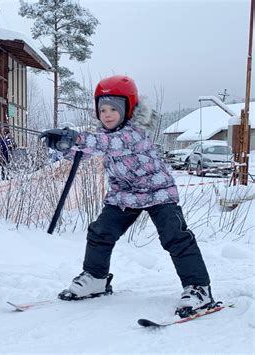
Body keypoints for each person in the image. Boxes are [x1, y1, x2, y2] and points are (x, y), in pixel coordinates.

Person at [41, 75, 213, 317]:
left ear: (129, 109)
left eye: (114, 109)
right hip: (124, 196)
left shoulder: (134, 134)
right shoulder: (104, 135)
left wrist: (76, 137)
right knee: (100, 231)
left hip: (158, 193)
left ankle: (198, 288)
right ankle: (96, 277)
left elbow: (106, 144)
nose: (107, 114)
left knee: (175, 237)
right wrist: (63, 146)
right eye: (102, 109)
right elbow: (88, 150)